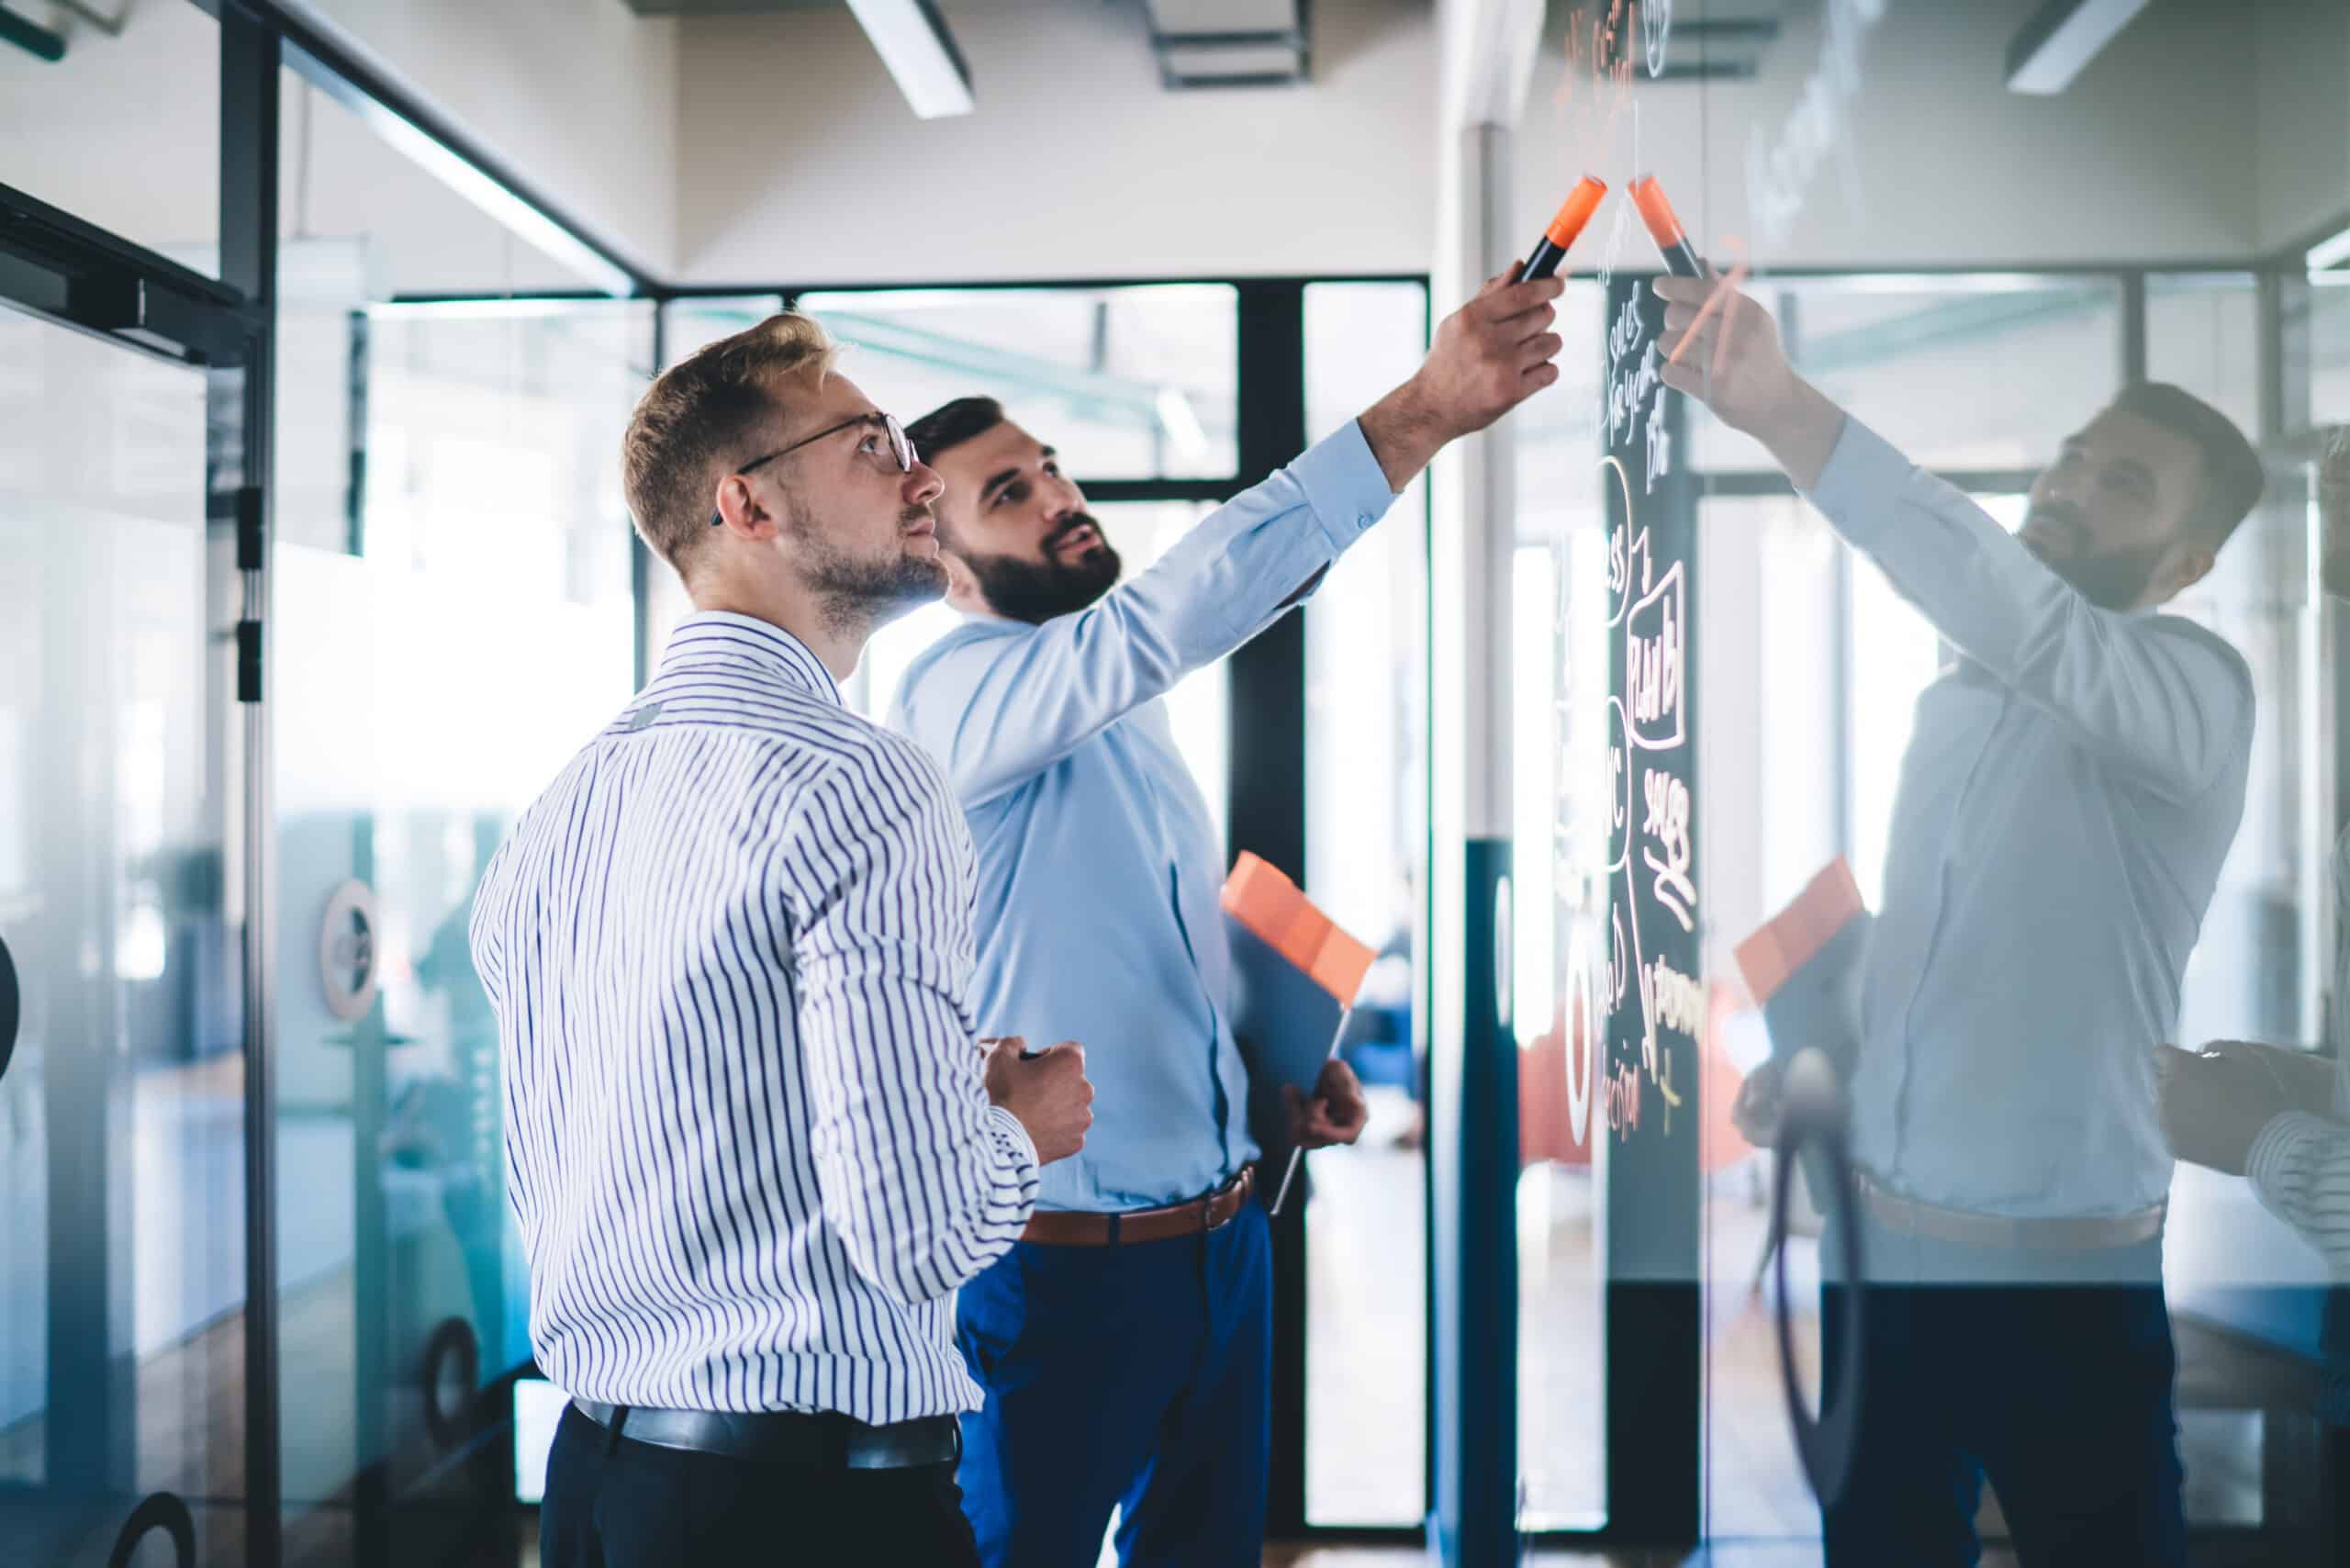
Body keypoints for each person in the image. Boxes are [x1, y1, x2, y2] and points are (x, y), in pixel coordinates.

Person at [888, 267, 1566, 1566]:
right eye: (1010, 494)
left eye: (1051, 468)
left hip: (1223, 1244)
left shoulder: (1116, 705)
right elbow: (1178, 611)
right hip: (1058, 1276)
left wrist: (1268, 1074)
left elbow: (1157, 943)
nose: (1062, 499)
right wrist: (1419, 412)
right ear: (937, 553)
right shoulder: (948, 708)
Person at [467, 313, 1096, 1568]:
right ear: (746, 505)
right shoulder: (863, 786)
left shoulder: (563, 806)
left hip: (598, 1485)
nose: (922, 475)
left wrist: (928, 1106)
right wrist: (1019, 1127)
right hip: (804, 1511)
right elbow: (918, 1234)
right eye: (871, 444)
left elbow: (656, 1147)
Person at [1670, 272, 2266, 1566]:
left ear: (2189, 561)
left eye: (2122, 486)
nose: (2066, 489)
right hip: (1885, 1269)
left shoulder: (2195, 693)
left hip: (2065, 1292)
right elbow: (1935, 948)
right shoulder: (1960, 699)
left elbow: (2024, 616)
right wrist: (1828, 1077)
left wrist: (1782, 410)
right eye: (2073, 459)